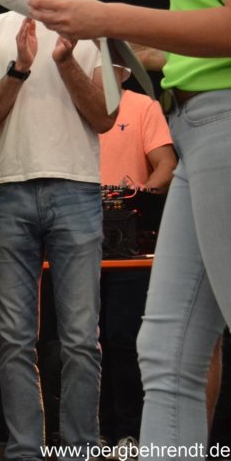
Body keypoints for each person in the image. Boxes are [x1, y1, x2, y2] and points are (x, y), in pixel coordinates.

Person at [29, 0, 231, 450]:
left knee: (168, 351)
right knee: (164, 351)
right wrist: (136, 47)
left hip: (222, 126)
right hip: (199, 130)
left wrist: (107, 17)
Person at [0, 0, 116, 460]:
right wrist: (21, 68)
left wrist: (67, 61)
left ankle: (80, 449)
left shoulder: (97, 23)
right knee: (13, 339)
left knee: (80, 339)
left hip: (77, 188)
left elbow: (104, 117)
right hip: (9, 190)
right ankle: (25, 452)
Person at [97, 66, 175, 454]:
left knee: (122, 336)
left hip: (126, 242)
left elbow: (166, 164)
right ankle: (93, 431)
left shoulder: (142, 106)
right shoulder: (69, 104)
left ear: (122, 69)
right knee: (82, 340)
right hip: (72, 235)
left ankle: (129, 432)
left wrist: (136, 197)